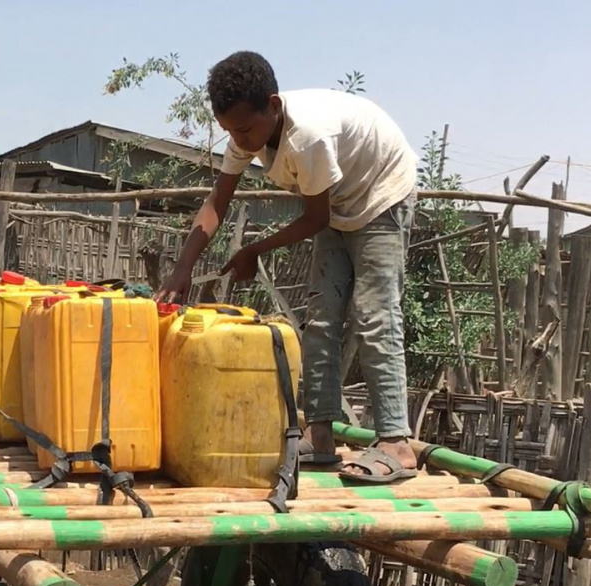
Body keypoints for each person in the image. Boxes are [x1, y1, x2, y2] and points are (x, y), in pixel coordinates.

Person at [156, 50, 419, 484]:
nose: (238, 141)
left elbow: (315, 219)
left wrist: (255, 249)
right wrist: (182, 268)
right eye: (229, 131)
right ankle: (320, 435)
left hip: (381, 194)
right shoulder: (245, 132)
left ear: (273, 107)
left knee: (374, 315)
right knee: (321, 319)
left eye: (243, 130)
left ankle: (395, 442)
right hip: (339, 203)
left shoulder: (309, 136)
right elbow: (216, 202)